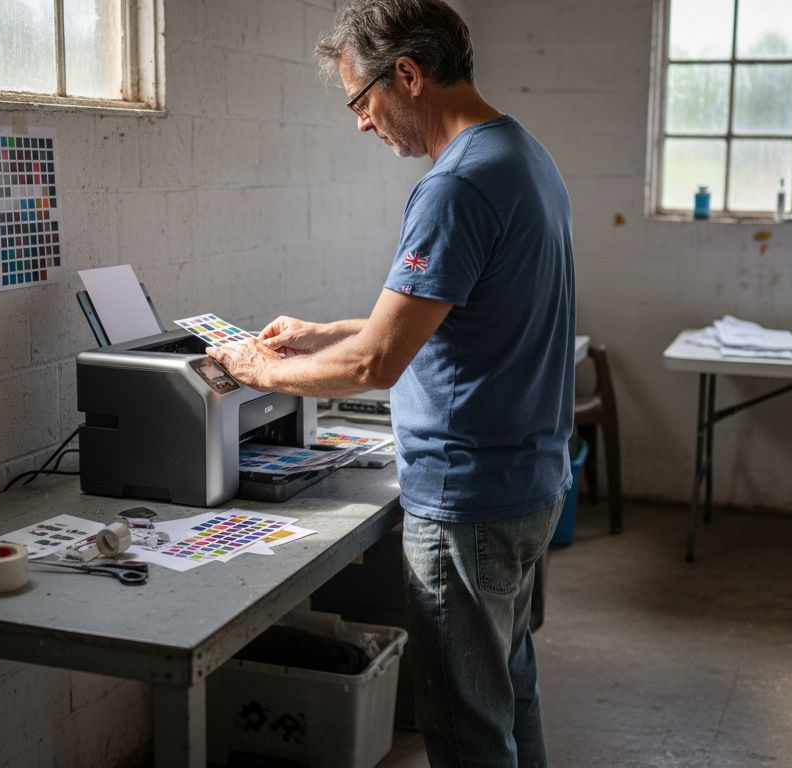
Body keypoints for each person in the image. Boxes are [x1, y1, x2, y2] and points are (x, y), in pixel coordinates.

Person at [206, 1, 576, 764]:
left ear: (407, 75)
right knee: (509, 692)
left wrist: (260, 368)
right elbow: (442, 315)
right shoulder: (521, 154)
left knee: (467, 725)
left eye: (360, 100)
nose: (363, 123)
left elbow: (377, 365)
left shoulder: (455, 187)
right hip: (529, 479)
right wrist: (320, 333)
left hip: (470, 499)